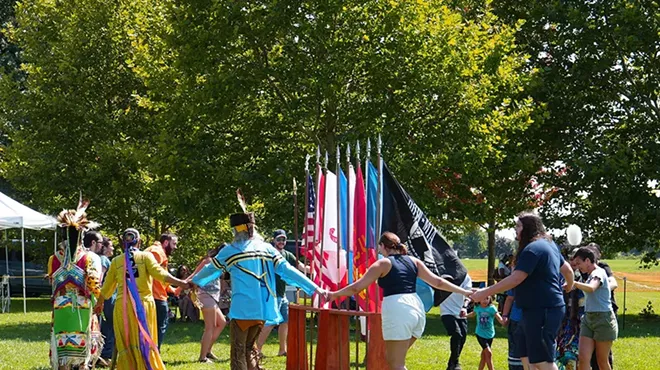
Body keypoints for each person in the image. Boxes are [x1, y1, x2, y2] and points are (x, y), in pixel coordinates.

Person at [191, 212, 326, 370]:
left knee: (239, 351)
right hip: (263, 310)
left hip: (242, 310)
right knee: (250, 349)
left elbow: (210, 270)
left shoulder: (230, 251)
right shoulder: (268, 249)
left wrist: (193, 282)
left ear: (235, 231)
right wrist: (314, 288)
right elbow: (289, 271)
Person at [328, 232, 473, 370]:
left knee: (396, 364)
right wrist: (465, 291)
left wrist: (334, 295)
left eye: (380, 247)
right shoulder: (414, 261)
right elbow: (438, 282)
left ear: (383, 246)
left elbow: (356, 288)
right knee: (392, 360)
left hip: (398, 310)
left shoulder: (383, 263)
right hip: (417, 310)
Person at [471, 213, 575, 370]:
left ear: (528, 228)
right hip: (534, 310)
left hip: (543, 310)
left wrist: (485, 292)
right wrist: (569, 284)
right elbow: (567, 270)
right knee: (527, 357)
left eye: (518, 226)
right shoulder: (549, 245)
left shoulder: (532, 249)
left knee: (541, 360)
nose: (515, 230)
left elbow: (515, 279)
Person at [95, 228, 189, 370]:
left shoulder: (116, 261)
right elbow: (161, 275)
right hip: (143, 306)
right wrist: (182, 283)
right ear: (139, 242)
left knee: (127, 341)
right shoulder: (145, 257)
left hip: (123, 307)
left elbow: (106, 289)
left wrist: (99, 303)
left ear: (123, 243)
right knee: (144, 340)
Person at [48, 206, 103, 370]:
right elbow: (94, 284)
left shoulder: (54, 258)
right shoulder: (88, 258)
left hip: (61, 306)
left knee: (62, 348)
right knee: (82, 349)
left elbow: (52, 282)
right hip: (81, 307)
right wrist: (101, 299)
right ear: (82, 234)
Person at [256, 229, 309, 358]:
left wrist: (316, 267)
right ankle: (256, 350)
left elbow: (301, 267)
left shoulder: (287, 255)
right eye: (279, 239)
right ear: (274, 240)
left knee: (285, 321)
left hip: (282, 294)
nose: (281, 242)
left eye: (283, 239)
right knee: (270, 323)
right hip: (271, 294)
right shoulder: (268, 254)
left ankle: (282, 350)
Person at [572, 247, 618, 370]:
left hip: (603, 319)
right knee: (583, 358)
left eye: (579, 263)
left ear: (587, 260)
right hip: (588, 318)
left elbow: (592, 288)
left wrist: (574, 284)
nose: (577, 267)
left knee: (602, 361)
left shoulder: (599, 273)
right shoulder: (589, 274)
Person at [189, 244, 229, 363]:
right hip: (205, 295)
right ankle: (202, 358)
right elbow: (195, 275)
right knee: (209, 327)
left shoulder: (220, 264)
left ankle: (208, 351)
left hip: (213, 297)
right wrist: (188, 289)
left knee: (221, 323)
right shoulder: (208, 261)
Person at [145, 233, 179, 349]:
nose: (175, 247)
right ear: (166, 242)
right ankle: (154, 355)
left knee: (155, 327)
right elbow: (153, 273)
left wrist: (172, 289)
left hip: (155, 296)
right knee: (158, 327)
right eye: (174, 243)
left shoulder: (156, 251)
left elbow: (159, 278)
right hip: (156, 298)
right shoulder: (156, 252)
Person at [555, 249, 584, 370]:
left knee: (573, 356)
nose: (573, 262)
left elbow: (583, 303)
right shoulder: (560, 276)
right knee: (562, 355)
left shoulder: (583, 278)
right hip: (562, 322)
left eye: (577, 260)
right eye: (571, 259)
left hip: (577, 324)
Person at [439, 271, 473, 370]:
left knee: (463, 337)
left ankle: (451, 364)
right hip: (446, 311)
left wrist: (464, 307)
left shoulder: (465, 277)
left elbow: (468, 294)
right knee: (457, 334)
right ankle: (456, 363)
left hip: (460, 311)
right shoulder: (443, 276)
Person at [502, 262, 529, 370]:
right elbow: (509, 298)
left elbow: (509, 299)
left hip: (519, 319)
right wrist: (504, 315)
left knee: (515, 349)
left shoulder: (516, 281)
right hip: (525, 319)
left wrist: (504, 315)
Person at [467, 296, 505, 370]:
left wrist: (503, 321)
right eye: (482, 298)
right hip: (480, 334)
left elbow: (499, 317)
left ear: (490, 299)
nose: (485, 301)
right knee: (489, 353)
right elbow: (472, 314)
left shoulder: (492, 308)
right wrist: (465, 315)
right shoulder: (478, 308)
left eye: (487, 299)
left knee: (484, 356)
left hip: (490, 334)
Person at [97, 237, 116, 366]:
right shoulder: (104, 260)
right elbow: (100, 278)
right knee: (110, 326)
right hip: (108, 297)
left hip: (108, 296)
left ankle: (103, 355)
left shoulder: (105, 259)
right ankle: (106, 356)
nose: (113, 248)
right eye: (111, 246)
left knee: (107, 326)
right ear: (104, 247)